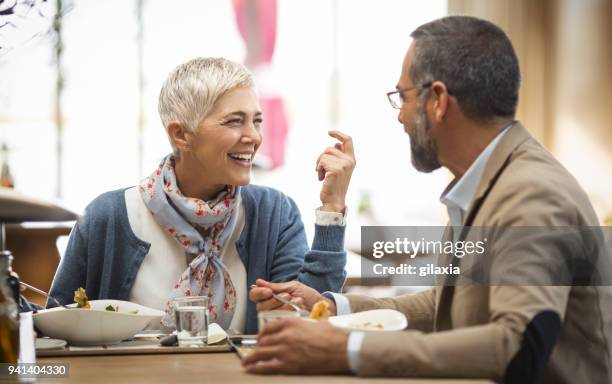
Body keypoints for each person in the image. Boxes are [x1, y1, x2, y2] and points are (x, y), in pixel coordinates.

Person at [246, 16, 612, 382]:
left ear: (437, 100)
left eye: (402, 97)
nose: (401, 116)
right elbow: (446, 304)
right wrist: (331, 306)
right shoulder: (488, 182)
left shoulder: (532, 195)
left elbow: (516, 346)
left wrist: (346, 350)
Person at [47, 57, 355, 333]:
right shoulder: (108, 217)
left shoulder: (274, 213)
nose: (254, 137)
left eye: (256, 120)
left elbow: (309, 317)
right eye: (235, 121)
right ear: (180, 134)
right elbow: (56, 325)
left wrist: (332, 208)